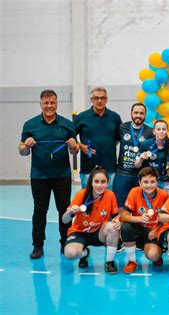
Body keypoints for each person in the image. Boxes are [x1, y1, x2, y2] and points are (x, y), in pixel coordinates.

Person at [19, 90, 78, 259]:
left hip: (62, 175)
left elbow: (74, 152)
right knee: (39, 211)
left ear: (57, 103)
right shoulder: (30, 125)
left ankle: (65, 242)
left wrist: (74, 146)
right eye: (46, 103)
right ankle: (38, 246)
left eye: (52, 102)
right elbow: (22, 151)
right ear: (41, 104)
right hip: (39, 176)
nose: (49, 106)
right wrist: (26, 146)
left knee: (64, 211)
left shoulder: (67, 124)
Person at [62, 167, 121, 274]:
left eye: (103, 182)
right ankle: (85, 253)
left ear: (107, 183)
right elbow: (65, 220)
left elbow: (116, 216)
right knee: (70, 254)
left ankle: (109, 262)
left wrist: (117, 221)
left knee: (113, 227)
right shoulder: (81, 194)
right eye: (96, 181)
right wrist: (70, 211)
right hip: (80, 232)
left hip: (98, 233)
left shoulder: (110, 195)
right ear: (91, 182)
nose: (99, 185)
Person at [119, 167, 169, 273]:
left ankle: (157, 255)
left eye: (152, 182)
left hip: (154, 231)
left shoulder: (164, 195)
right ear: (140, 183)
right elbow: (123, 216)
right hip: (139, 229)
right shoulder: (134, 192)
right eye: (145, 182)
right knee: (126, 227)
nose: (149, 185)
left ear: (157, 182)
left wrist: (156, 231)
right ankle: (132, 261)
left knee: (153, 256)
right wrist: (138, 218)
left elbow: (168, 219)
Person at [74, 87, 122, 188]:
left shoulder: (115, 117)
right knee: (88, 198)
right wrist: (82, 147)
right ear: (91, 100)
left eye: (102, 98)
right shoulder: (81, 117)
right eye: (96, 98)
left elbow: (118, 139)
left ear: (106, 99)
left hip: (110, 166)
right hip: (88, 166)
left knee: (109, 198)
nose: (99, 101)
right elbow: (70, 136)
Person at [113, 103, 153, 207]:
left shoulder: (150, 131)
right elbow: (114, 142)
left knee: (139, 206)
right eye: (136, 112)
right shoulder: (122, 127)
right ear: (131, 113)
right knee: (119, 205)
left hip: (141, 176)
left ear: (145, 115)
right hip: (122, 173)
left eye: (141, 113)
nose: (138, 115)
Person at [135, 119, 169, 191]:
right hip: (149, 180)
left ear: (167, 131)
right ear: (154, 132)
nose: (161, 131)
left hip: (166, 181)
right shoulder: (145, 144)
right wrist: (141, 159)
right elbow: (136, 165)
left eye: (164, 129)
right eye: (158, 129)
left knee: (167, 201)